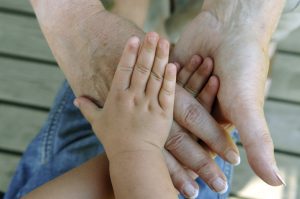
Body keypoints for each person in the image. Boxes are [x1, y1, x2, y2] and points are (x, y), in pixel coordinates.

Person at [5, 0, 294, 198]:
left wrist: (133, 147)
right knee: (225, 89)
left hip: (95, 145)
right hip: (179, 161)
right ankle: (256, 53)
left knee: (120, 57)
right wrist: (145, 148)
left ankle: (133, 7)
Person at [21, 35, 222, 199]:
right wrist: (144, 152)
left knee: (113, 54)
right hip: (171, 172)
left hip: (81, 171)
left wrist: (132, 148)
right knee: (206, 108)